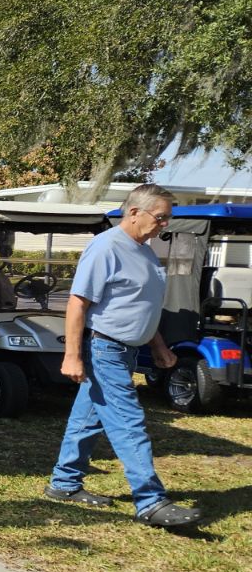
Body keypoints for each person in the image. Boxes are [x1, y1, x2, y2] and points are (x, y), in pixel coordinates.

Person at [46, 184, 200, 527]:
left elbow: (140, 306)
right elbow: (77, 303)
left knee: (87, 419)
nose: (165, 224)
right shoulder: (106, 247)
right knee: (128, 422)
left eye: (167, 218)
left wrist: (157, 346)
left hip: (127, 350)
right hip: (105, 349)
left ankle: (64, 483)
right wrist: (72, 355)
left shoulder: (144, 251)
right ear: (134, 212)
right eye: (160, 217)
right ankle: (150, 501)